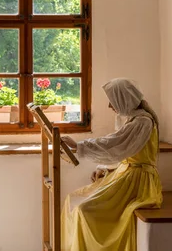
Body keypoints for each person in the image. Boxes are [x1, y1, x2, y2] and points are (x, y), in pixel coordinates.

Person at [60, 78, 162, 251]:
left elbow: (114, 144)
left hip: (138, 183)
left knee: (84, 210)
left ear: (124, 99)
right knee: (73, 200)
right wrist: (104, 167)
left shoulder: (142, 122)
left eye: (112, 100)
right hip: (127, 174)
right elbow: (123, 150)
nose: (109, 105)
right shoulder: (135, 120)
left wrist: (79, 146)